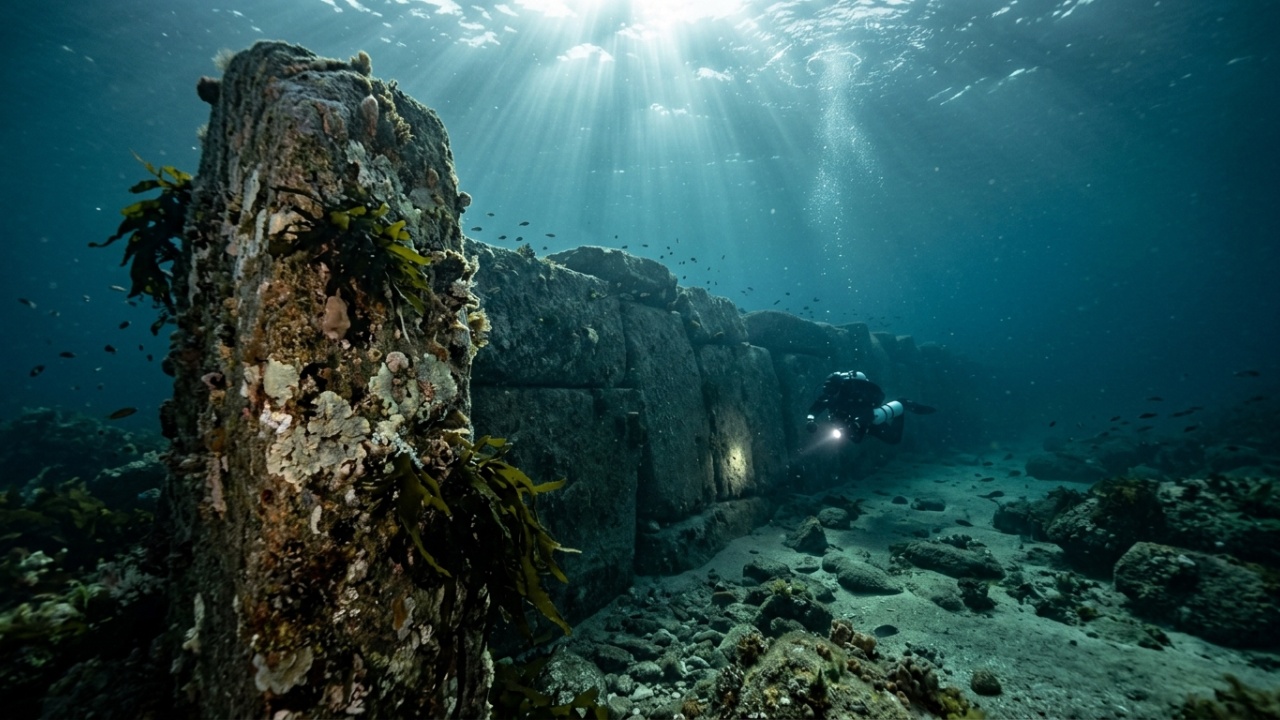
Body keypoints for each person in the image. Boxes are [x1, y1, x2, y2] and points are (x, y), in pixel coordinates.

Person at [805, 371, 934, 444]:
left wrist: (857, 423)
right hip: (850, 423)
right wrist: (811, 421)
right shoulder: (828, 395)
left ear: (840, 387)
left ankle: (901, 404)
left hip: (868, 420)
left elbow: (868, 412)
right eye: (827, 390)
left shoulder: (854, 394)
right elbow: (815, 409)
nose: (829, 393)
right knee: (855, 439)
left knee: (893, 439)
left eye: (832, 390)